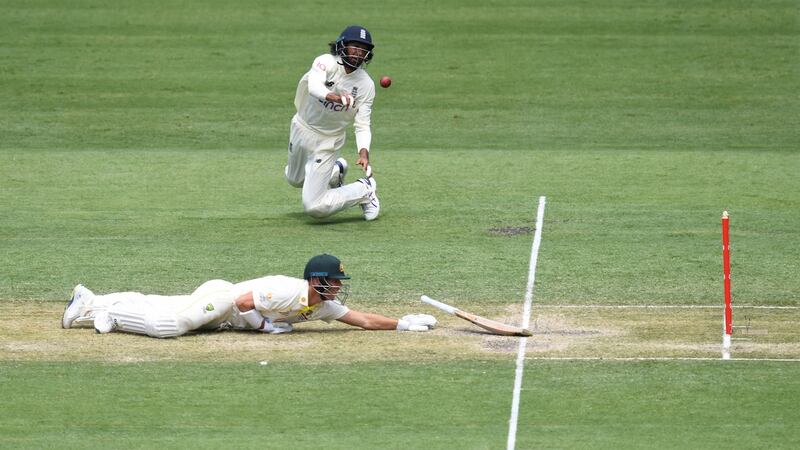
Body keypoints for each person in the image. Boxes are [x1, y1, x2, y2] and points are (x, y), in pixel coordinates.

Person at [61, 254, 436, 338]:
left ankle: (93, 300)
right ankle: (112, 312)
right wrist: (265, 328)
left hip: (225, 317)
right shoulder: (289, 288)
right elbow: (243, 303)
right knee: (170, 325)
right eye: (334, 282)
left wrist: (401, 323)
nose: (338, 287)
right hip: (225, 299)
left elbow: (363, 319)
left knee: (165, 304)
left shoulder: (321, 306)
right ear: (316, 280)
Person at [284, 25, 381, 221]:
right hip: (301, 127)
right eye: (354, 47)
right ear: (342, 45)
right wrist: (333, 97)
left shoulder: (366, 85)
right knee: (294, 179)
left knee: (314, 207)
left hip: (328, 140)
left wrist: (364, 152)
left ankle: (364, 190)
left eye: (363, 50)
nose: (357, 53)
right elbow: (313, 87)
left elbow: (362, 124)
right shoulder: (324, 62)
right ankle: (336, 171)